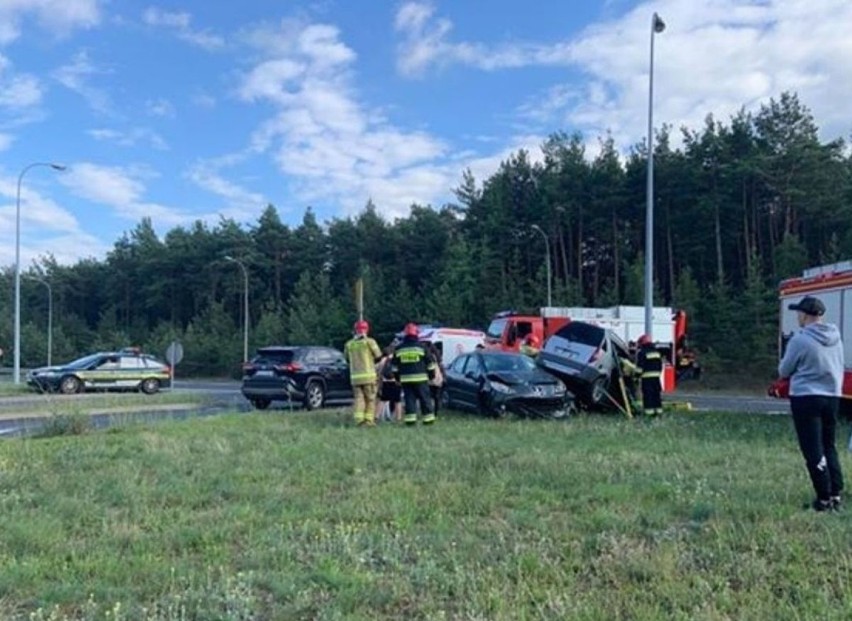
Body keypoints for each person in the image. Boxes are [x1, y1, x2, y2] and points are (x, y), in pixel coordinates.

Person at [778, 295, 844, 512]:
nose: (797, 316)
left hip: (806, 397)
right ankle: (836, 493)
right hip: (832, 397)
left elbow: (784, 370)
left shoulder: (800, 339)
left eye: (798, 313)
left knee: (813, 449)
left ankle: (823, 498)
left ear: (805, 315)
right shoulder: (836, 337)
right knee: (829, 445)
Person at [392, 323, 437, 425]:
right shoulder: (422, 347)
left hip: (405, 379)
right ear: (416, 334)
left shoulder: (399, 348)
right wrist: (431, 376)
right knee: (424, 399)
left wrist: (397, 378)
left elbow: (394, 367)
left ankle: (410, 420)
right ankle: (428, 419)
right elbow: (430, 364)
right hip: (421, 378)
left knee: (409, 399)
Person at [343, 319, 382, 426]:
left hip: (355, 377)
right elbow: (378, 355)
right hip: (369, 376)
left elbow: (346, 358)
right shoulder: (370, 342)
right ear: (367, 330)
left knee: (359, 399)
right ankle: (369, 421)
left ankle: (359, 420)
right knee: (370, 399)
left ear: (355, 330)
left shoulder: (349, 344)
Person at [636, 334, 663, 416]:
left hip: (647, 379)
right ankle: (658, 412)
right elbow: (660, 366)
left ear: (642, 343)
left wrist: (636, 377)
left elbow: (640, 368)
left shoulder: (642, 353)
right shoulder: (657, 352)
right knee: (656, 395)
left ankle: (649, 414)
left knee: (648, 396)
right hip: (656, 378)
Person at [375, 345, 402, 422]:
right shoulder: (396, 358)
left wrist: (379, 381)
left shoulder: (383, 360)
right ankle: (398, 418)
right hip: (396, 381)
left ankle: (376, 416)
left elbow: (379, 371)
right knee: (398, 401)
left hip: (386, 381)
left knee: (383, 400)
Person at [426, 342, 445, 416]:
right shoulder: (436, 355)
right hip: (437, 377)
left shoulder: (429, 356)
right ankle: (436, 411)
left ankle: (430, 411)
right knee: (436, 396)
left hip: (430, 377)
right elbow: (441, 366)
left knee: (428, 395)